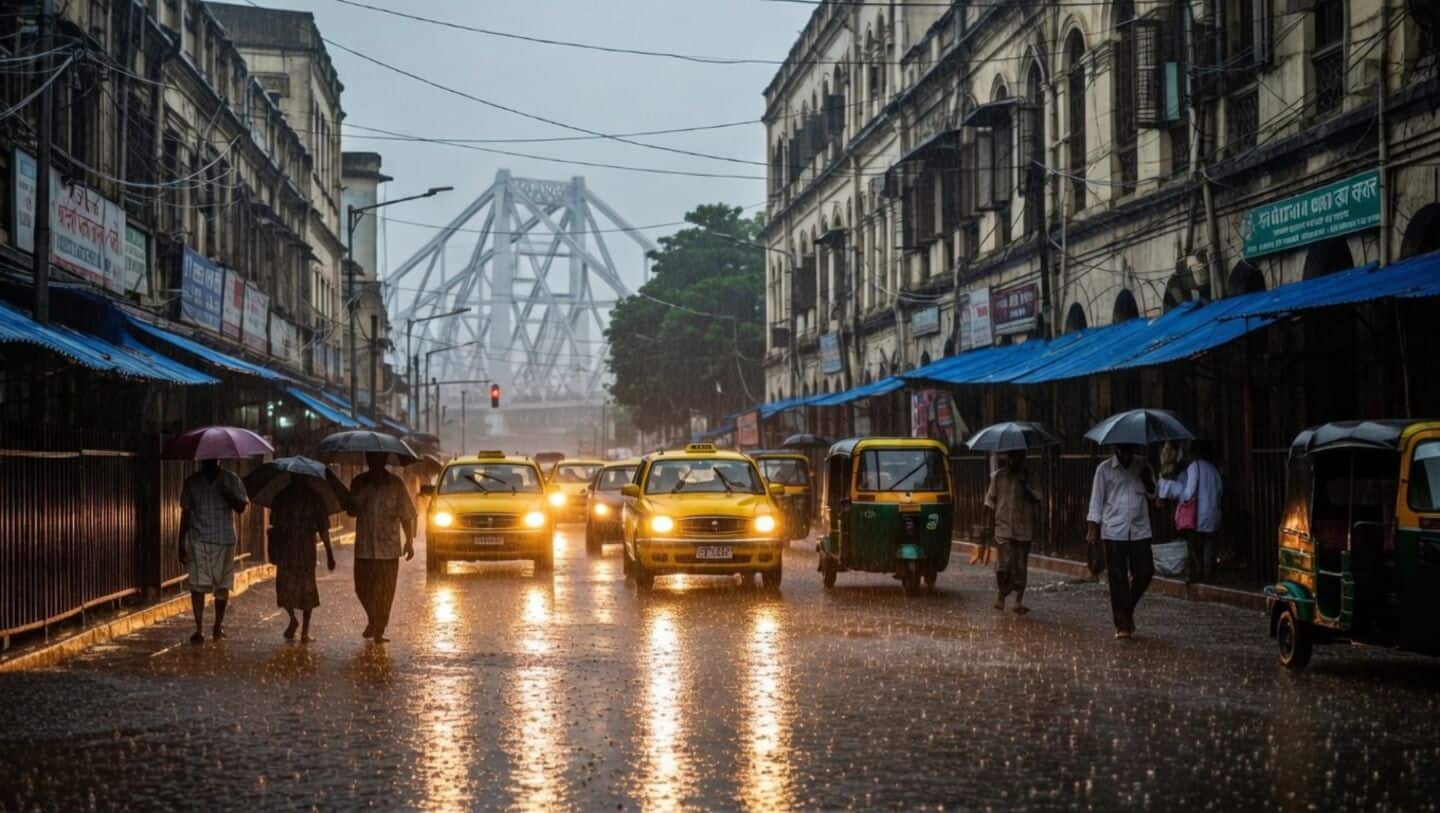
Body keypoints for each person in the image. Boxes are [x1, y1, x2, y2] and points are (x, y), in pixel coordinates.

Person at [1086, 445, 1156, 639]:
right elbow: (1096, 500)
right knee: (1117, 579)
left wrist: (1147, 479)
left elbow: (1153, 493)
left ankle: (1126, 609)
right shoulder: (1104, 469)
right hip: (1113, 530)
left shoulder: (1143, 465)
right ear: (1117, 448)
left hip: (1139, 529)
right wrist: (1093, 529)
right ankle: (1122, 624)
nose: (1127, 452)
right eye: (1123, 448)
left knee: (1145, 571)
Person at [178, 459, 249, 644]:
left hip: (224, 540)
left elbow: (241, 506)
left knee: (222, 586)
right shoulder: (192, 482)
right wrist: (181, 542)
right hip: (198, 539)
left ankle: (218, 625)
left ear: (219, 459)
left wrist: (227, 493)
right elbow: (185, 513)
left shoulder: (231, 479)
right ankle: (199, 628)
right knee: (197, 586)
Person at [348, 452, 416, 643]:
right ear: (368, 460)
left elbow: (406, 514)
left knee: (386, 592)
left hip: (388, 548)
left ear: (384, 460)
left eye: (378, 459)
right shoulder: (359, 482)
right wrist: (362, 496)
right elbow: (351, 511)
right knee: (362, 588)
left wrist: (409, 541)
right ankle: (372, 619)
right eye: (371, 458)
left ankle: (379, 629)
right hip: (365, 547)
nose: (374, 462)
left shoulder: (396, 484)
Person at [268, 478, 336, 642]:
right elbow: (323, 529)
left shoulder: (283, 496)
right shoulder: (313, 498)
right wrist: (329, 554)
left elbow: (274, 523)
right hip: (299, 550)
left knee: (296, 590)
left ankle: (299, 625)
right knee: (300, 590)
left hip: (292, 551)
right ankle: (300, 627)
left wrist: (329, 554)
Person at [984, 449, 1041, 614]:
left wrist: (1026, 485)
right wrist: (987, 527)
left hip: (1024, 529)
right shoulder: (998, 476)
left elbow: (1038, 498)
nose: (1014, 460)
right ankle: (1001, 595)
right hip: (1003, 527)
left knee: (1021, 566)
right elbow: (989, 501)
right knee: (1003, 565)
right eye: (1012, 456)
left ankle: (1018, 600)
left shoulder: (1031, 476)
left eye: (1019, 457)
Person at [1159, 440, 1223, 584]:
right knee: (1209, 544)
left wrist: (1181, 497)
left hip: (1198, 515)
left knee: (1195, 546)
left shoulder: (1195, 466)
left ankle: (1197, 575)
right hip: (1213, 514)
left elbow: (1189, 492)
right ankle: (1209, 576)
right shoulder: (1213, 468)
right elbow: (1220, 490)